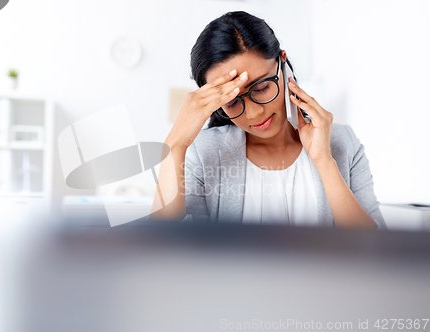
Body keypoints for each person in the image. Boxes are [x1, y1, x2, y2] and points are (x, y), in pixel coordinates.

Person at [150, 11, 385, 229]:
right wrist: (175, 144)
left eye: (262, 87)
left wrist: (324, 161)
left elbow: (379, 253)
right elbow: (161, 250)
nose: (253, 113)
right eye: (232, 101)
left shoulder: (343, 143)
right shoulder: (204, 154)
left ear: (282, 63)